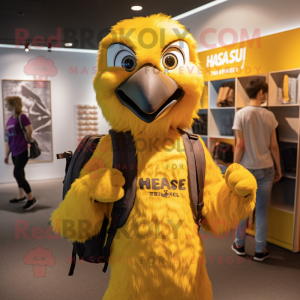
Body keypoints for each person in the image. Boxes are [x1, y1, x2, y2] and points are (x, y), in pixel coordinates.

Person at [231, 78, 282, 261]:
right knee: (261, 211)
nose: (265, 95)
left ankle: (239, 244)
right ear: (260, 93)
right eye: (265, 92)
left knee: (243, 210)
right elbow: (274, 146)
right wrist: (279, 169)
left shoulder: (241, 114)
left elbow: (239, 146)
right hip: (267, 169)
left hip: (245, 171)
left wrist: (234, 169)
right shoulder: (269, 116)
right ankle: (260, 250)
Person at [4, 96, 38, 210]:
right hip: (14, 152)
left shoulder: (22, 116)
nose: (5, 106)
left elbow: (30, 130)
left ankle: (31, 198)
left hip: (23, 150)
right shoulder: (10, 119)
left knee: (17, 174)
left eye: (7, 103)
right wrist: (6, 154)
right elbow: (8, 138)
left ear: (13, 104)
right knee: (20, 174)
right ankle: (21, 195)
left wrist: (24, 141)